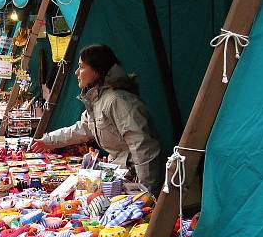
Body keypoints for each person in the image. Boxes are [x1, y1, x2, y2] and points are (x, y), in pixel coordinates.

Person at [31, 44, 164, 193]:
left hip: (132, 180)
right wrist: (48, 140)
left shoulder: (117, 100)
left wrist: (146, 192)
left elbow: (143, 147)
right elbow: (82, 128)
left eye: (81, 67)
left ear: (96, 70)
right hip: (120, 174)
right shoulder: (98, 100)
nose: (76, 72)